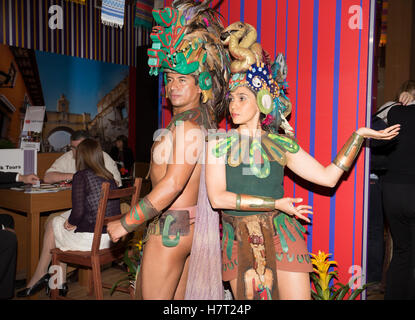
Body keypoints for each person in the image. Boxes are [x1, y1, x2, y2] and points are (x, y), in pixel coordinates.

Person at [204, 21, 400, 300]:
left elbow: (328, 177)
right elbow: (218, 199)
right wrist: (277, 203)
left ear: (262, 101)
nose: (233, 105)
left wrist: (357, 136)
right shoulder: (217, 144)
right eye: (231, 98)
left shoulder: (282, 143)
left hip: (283, 235)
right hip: (239, 238)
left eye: (242, 98)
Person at [107, 0, 230, 300]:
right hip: (189, 230)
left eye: (182, 79)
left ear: (200, 84)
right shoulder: (199, 121)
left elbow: (174, 184)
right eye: (170, 79)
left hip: (171, 231)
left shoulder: (188, 128)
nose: (172, 87)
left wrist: (126, 222)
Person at [16, 139, 121, 298]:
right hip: (110, 238)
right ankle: (58, 282)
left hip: (91, 242)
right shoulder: (109, 177)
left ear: (81, 157)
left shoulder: (81, 176)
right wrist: (72, 222)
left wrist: (71, 222)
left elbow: (78, 213)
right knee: (57, 225)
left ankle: (46, 277)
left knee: (54, 224)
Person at [367, 81, 415, 293]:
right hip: (407, 188)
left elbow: (372, 121)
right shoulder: (396, 109)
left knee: (403, 250)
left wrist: (396, 104)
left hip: (392, 190)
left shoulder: (393, 111)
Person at [44, 130, 122, 187]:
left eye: (80, 147)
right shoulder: (67, 157)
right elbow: (47, 177)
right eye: (73, 147)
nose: (76, 151)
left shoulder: (103, 156)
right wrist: (77, 177)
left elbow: (116, 184)